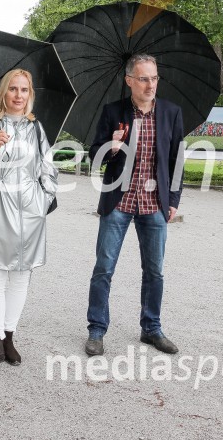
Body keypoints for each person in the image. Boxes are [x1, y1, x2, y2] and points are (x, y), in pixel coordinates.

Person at [84, 54, 183, 357]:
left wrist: (174, 200)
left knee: (155, 271)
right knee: (104, 268)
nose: (150, 84)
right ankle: (97, 330)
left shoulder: (171, 113)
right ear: (129, 81)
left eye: (154, 78)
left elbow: (176, 159)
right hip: (119, 202)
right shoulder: (113, 112)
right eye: (143, 78)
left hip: (155, 204)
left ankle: (151, 328)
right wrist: (109, 148)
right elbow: (95, 157)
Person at [0, 69, 57, 371]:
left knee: (20, 277)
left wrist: (43, 198)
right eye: (13, 89)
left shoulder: (35, 127)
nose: (19, 95)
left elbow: (48, 165)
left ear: (30, 94)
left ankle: (9, 337)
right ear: (3, 92)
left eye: (24, 90)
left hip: (30, 210)